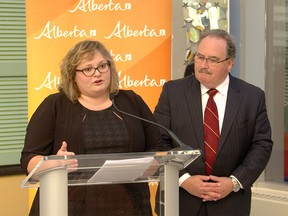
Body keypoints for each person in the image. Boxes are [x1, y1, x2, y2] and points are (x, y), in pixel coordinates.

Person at [20, 40, 170, 216]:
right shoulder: (55, 105)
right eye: (88, 69)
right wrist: (55, 163)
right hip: (69, 207)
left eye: (102, 66)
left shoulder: (130, 101)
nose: (97, 73)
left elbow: (158, 147)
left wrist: (145, 166)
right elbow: (28, 159)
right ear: (72, 75)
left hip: (130, 206)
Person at [154, 29, 273, 215]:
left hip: (230, 203)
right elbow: (158, 141)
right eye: (200, 57)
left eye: (213, 60)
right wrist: (184, 180)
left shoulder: (252, 97)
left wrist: (233, 182)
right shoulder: (172, 92)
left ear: (230, 63)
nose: (203, 65)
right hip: (180, 201)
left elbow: (261, 145)